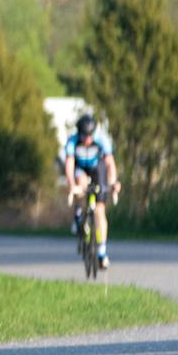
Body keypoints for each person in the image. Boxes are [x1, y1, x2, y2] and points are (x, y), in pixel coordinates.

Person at [63, 112, 121, 267]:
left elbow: (110, 163)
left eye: (90, 135)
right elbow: (69, 164)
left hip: (97, 169)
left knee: (100, 211)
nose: (87, 139)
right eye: (84, 136)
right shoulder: (72, 142)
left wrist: (113, 181)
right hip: (80, 169)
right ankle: (78, 213)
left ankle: (102, 252)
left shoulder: (101, 140)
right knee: (80, 184)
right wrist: (70, 184)